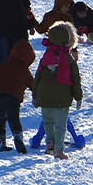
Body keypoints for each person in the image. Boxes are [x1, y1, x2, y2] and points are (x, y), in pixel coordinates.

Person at [31, 22, 84, 160]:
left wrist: (35, 94)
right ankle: (59, 150)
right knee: (61, 125)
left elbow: (38, 76)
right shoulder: (68, 58)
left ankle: (50, 145)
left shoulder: (46, 57)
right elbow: (75, 79)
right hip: (62, 98)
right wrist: (78, 97)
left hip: (45, 97)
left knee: (48, 121)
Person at [0, 34, 33, 153]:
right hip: (12, 97)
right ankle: (18, 138)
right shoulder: (24, 70)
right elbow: (33, 85)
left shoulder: (1, 66)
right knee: (13, 118)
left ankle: (0, 143)